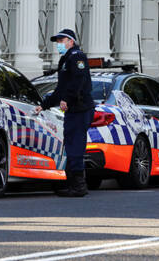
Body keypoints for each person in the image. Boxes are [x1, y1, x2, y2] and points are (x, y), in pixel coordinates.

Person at [35, 28, 94, 197]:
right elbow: (60, 89)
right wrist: (44, 105)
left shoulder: (76, 56)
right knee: (71, 144)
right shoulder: (66, 59)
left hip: (80, 108)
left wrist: (67, 99)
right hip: (74, 109)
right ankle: (72, 184)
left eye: (62, 41)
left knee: (75, 145)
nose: (59, 44)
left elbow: (78, 80)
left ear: (71, 42)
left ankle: (79, 186)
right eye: (58, 42)